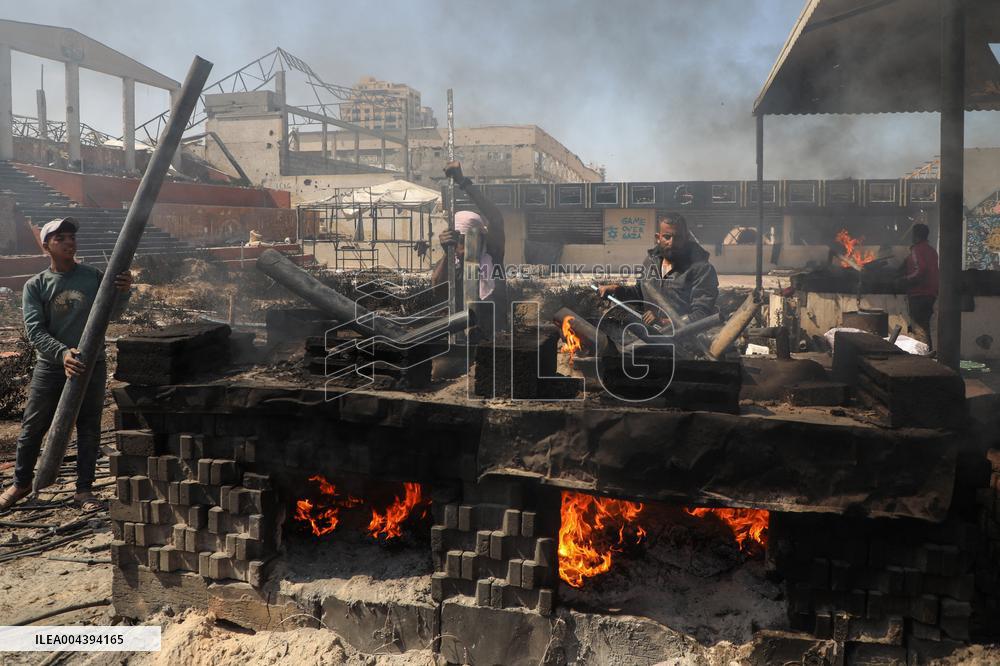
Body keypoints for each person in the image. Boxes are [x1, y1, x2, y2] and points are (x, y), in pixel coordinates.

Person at [0, 217, 133, 512]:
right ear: (46, 246)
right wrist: (62, 354)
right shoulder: (36, 285)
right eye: (60, 238)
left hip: (91, 364)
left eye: (72, 237)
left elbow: (112, 313)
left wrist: (124, 292)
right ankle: (21, 484)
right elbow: (35, 331)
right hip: (51, 366)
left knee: (89, 427)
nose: (69, 242)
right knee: (33, 427)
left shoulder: (93, 277)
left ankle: (84, 491)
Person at [599, 212, 719, 328]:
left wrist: (664, 322)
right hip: (650, 335)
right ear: (658, 238)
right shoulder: (650, 262)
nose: (672, 242)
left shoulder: (702, 270)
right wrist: (616, 290)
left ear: (686, 238)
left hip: (685, 339)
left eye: (678, 237)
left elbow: (702, 315)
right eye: (667, 237)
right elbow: (640, 293)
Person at [431, 161, 508, 335]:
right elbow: (437, 289)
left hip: (494, 338)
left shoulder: (493, 256)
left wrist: (463, 182)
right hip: (461, 338)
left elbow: (496, 218)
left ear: (482, 238)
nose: (463, 249)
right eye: (459, 242)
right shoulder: (452, 264)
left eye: (470, 241)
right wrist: (447, 254)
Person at [899, 223, 939, 349]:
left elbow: (921, 270)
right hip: (931, 294)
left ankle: (923, 356)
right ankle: (928, 353)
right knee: (925, 326)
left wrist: (905, 279)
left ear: (916, 235)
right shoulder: (932, 251)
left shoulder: (916, 249)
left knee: (919, 328)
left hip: (919, 294)